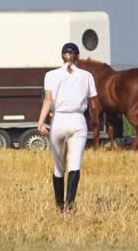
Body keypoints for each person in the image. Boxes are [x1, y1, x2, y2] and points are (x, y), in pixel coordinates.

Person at [38, 42, 97, 212]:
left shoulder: (50, 75)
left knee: (59, 167)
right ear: (78, 57)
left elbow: (48, 101)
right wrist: (94, 121)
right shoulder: (87, 75)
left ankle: (59, 206)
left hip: (59, 121)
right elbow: (94, 103)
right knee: (75, 164)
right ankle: (69, 207)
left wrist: (41, 122)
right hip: (78, 121)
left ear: (61, 56)